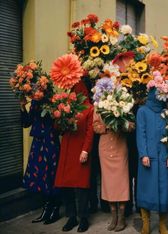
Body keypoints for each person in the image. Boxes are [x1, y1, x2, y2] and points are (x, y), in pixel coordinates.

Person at [55, 80, 94, 232]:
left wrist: (85, 150)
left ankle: (83, 218)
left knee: (81, 187)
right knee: (66, 186)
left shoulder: (90, 108)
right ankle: (71, 217)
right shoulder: (66, 106)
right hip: (67, 149)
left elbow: (90, 132)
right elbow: (58, 128)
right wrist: (62, 117)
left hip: (80, 151)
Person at [136, 88, 168, 234]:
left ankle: (162, 223)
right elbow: (141, 133)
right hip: (148, 157)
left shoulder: (167, 112)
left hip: (164, 156)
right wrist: (143, 154)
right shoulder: (142, 111)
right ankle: (146, 222)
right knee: (146, 189)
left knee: (164, 189)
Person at [21, 98, 60, 225]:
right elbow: (26, 123)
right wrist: (22, 107)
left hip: (50, 141)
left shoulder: (52, 101)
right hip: (38, 142)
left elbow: (57, 123)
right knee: (40, 176)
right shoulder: (33, 103)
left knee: (51, 175)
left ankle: (55, 208)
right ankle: (47, 208)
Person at [93, 113, 132, 232]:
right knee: (108, 183)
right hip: (105, 147)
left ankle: (121, 218)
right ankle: (114, 216)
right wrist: (107, 127)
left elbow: (132, 126)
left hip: (120, 146)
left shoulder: (124, 102)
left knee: (121, 183)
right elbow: (95, 126)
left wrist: (120, 124)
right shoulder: (98, 105)